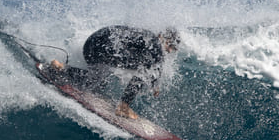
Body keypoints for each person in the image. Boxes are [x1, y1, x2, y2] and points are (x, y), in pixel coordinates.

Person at [45, 26, 180, 119]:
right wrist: (154, 84)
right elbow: (149, 69)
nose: (168, 51)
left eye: (171, 50)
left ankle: (61, 68)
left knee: (94, 82)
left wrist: (154, 84)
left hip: (92, 43)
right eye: (170, 47)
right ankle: (123, 107)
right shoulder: (156, 45)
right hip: (102, 48)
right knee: (143, 71)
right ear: (163, 38)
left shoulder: (147, 36)